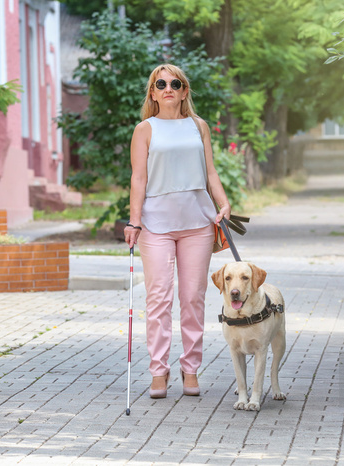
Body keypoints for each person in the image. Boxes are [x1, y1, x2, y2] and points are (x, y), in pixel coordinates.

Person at [124, 64, 231, 398]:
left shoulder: (198, 127)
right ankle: (159, 371)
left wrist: (223, 204)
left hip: (198, 223)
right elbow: (138, 178)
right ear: (153, 93)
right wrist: (133, 220)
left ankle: (190, 369)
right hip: (155, 225)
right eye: (160, 83)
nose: (167, 87)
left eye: (175, 83)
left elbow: (210, 172)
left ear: (184, 91)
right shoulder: (145, 129)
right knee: (158, 297)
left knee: (193, 298)